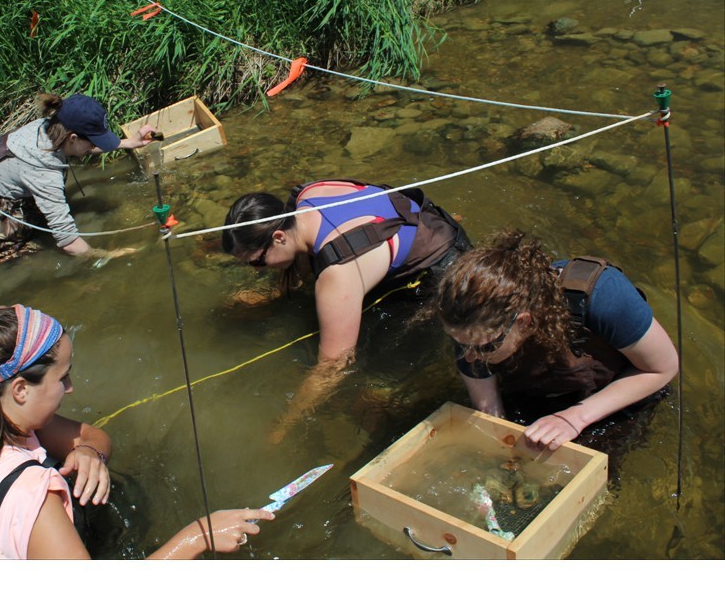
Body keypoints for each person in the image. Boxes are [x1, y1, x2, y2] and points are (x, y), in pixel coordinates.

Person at [0, 305, 272, 559]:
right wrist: (197, 536)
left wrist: (89, 452)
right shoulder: (31, 496)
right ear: (20, 390)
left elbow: (94, 436)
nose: (71, 388)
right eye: (62, 378)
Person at [222, 179, 471, 439]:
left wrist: (285, 424)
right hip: (430, 223)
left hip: (444, 274)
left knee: (376, 380)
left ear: (279, 236)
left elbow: (333, 367)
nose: (257, 270)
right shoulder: (308, 195)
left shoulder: (337, 276)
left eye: (257, 263)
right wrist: (278, 291)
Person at [425, 229, 678, 451]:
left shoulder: (605, 297)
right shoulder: (468, 319)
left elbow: (663, 368)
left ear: (523, 322)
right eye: (460, 343)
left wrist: (575, 418)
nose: (469, 357)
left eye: (485, 346)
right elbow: (489, 410)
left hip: (618, 392)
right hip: (538, 390)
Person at [0, 92, 157, 264]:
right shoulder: (43, 170)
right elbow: (68, 242)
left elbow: (81, 147)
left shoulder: (49, 127)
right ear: (73, 138)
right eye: (93, 142)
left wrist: (129, 143)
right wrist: (109, 255)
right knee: (35, 253)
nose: (93, 147)